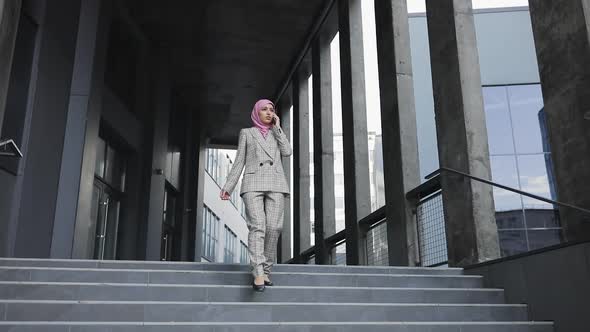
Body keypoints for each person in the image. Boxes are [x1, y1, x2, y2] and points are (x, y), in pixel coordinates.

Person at [219, 99, 292, 292]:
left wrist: (277, 128)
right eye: (264, 110)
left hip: (276, 183)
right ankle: (258, 272)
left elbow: (288, 151)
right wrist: (229, 186)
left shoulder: (277, 133)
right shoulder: (247, 133)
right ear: (256, 113)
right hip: (253, 183)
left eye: (271, 110)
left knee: (274, 227)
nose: (269, 113)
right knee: (258, 226)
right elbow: (239, 161)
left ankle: (266, 269)